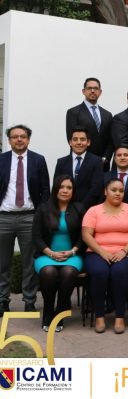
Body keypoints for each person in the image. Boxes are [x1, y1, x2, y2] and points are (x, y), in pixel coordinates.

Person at [0, 124, 50, 315]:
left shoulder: (38, 160)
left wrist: (40, 214)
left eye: (23, 136)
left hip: (30, 217)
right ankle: (2, 300)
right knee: (2, 262)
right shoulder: (2, 160)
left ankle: (29, 300)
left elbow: (45, 189)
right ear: (9, 140)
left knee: (29, 262)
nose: (19, 139)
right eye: (15, 137)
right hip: (4, 217)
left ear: (28, 139)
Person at [82, 179, 128, 334]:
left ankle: (120, 316)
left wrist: (124, 250)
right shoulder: (94, 210)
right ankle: (99, 316)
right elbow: (86, 234)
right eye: (113, 190)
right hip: (97, 252)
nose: (118, 193)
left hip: (125, 252)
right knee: (99, 272)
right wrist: (102, 252)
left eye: (121, 190)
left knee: (119, 272)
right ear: (105, 191)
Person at [33, 175, 85, 332]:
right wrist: (50, 253)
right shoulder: (43, 209)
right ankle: (48, 312)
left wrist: (72, 251)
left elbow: (84, 237)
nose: (65, 190)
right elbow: (36, 236)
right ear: (55, 189)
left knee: (68, 272)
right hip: (46, 255)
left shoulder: (79, 208)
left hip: (72, 256)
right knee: (48, 272)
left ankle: (60, 312)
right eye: (62, 187)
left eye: (69, 187)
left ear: (73, 191)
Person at [65, 77, 113, 171]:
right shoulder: (73, 112)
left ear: (100, 92)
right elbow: (72, 138)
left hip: (102, 165)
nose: (92, 91)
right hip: (81, 163)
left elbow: (110, 141)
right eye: (89, 88)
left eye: (95, 88)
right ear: (83, 91)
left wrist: (105, 158)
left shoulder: (107, 115)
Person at [54, 127, 104, 209]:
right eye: (75, 139)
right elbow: (56, 187)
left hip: (88, 209)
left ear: (88, 142)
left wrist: (81, 208)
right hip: (65, 208)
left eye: (82, 139)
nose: (79, 142)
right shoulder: (61, 162)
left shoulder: (96, 161)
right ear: (70, 142)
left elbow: (96, 188)